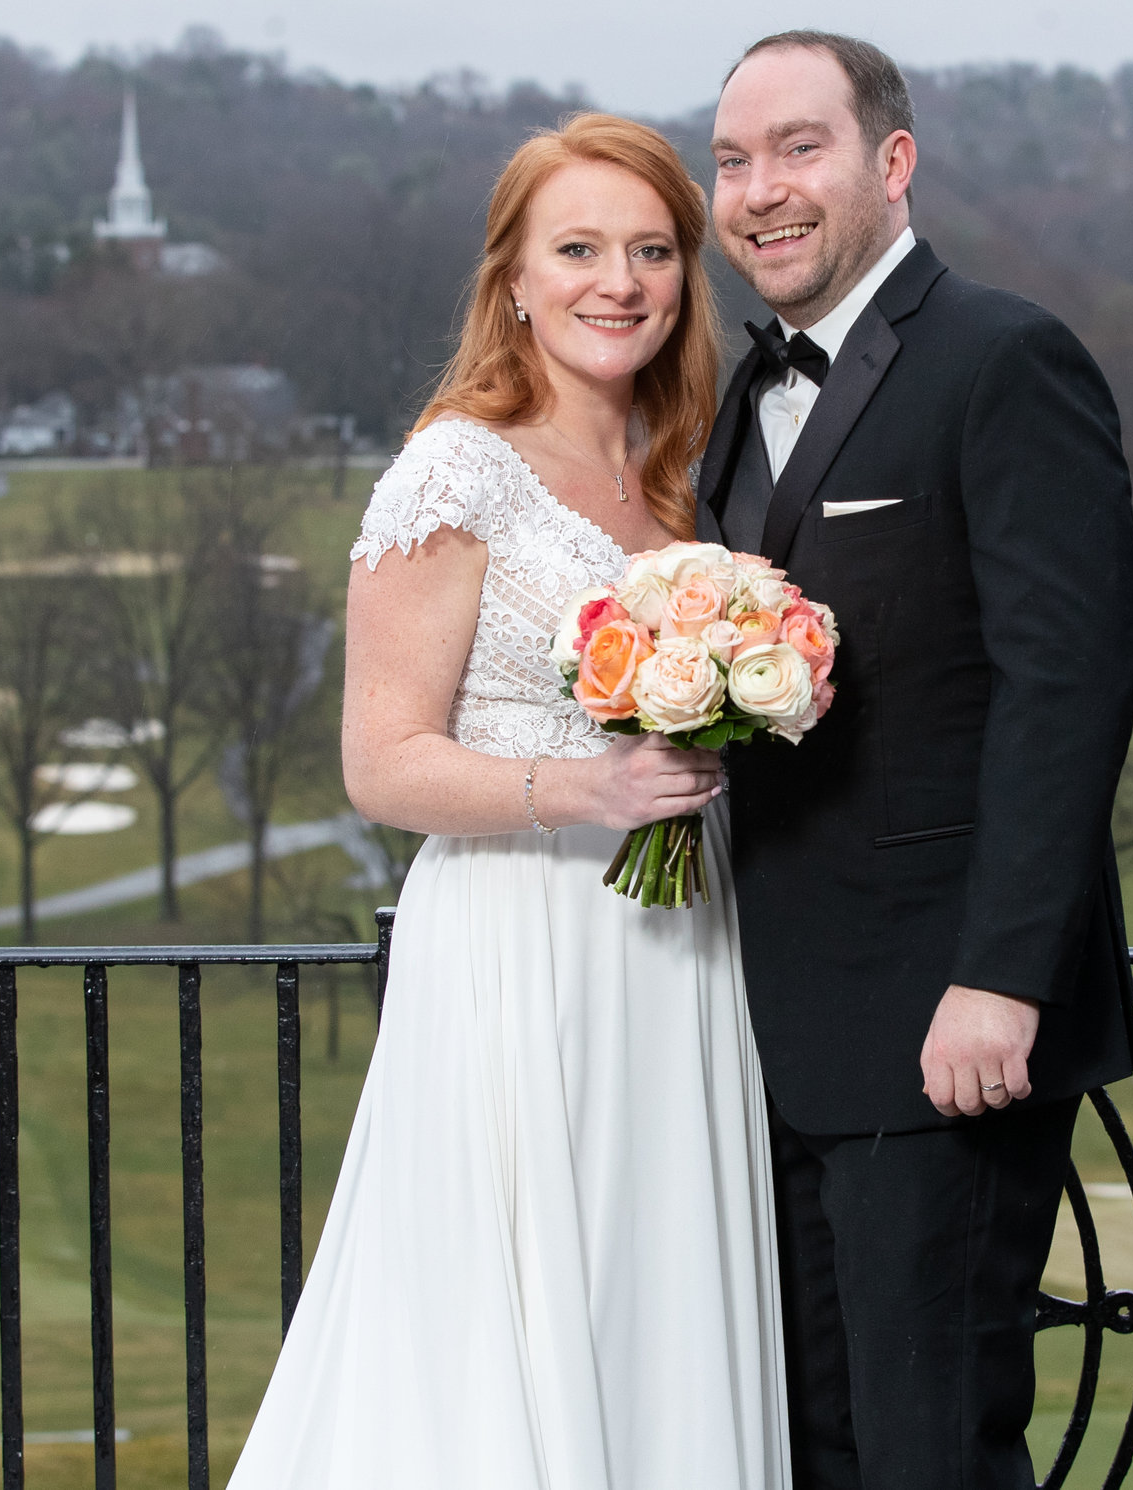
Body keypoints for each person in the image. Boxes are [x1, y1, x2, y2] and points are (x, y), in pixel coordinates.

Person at [227, 113, 788, 1490]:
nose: (620, 281)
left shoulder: (692, 472)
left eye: (652, 249)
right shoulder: (458, 470)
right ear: (515, 279)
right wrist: (582, 784)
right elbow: (382, 760)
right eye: (580, 248)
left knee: (660, 1290)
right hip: (521, 948)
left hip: (682, 953)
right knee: (507, 1308)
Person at [699, 31, 1133, 1490]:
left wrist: (1002, 977)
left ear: (891, 163)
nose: (760, 190)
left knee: (932, 1452)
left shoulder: (1005, 359)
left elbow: (1065, 689)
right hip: (775, 1038)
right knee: (820, 1449)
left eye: (798, 148)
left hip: (944, 1032)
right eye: (732, 159)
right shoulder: (733, 396)